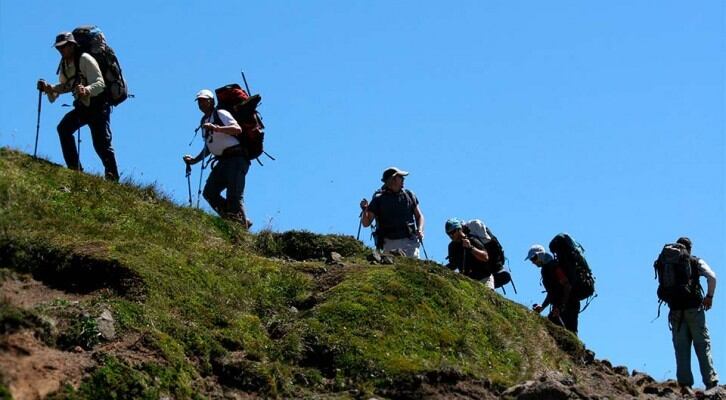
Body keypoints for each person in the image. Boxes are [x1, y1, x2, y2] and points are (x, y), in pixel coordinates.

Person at [36, 32, 120, 181]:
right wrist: (49, 88)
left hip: (99, 107)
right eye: (58, 48)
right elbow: (66, 86)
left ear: (72, 46)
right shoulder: (65, 64)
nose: (60, 50)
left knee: (101, 145)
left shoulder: (85, 59)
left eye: (63, 47)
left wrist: (86, 90)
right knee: (64, 129)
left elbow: (100, 84)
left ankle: (112, 178)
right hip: (84, 107)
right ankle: (75, 170)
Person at [183, 89, 251, 228]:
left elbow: (237, 129)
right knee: (210, 192)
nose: (201, 104)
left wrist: (216, 127)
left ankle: (241, 230)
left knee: (234, 197)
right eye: (199, 101)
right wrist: (194, 161)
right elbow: (210, 145)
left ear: (211, 101)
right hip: (223, 161)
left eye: (204, 100)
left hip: (236, 158)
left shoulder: (220, 113)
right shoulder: (204, 121)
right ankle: (235, 222)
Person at [668, 237, 718, 391]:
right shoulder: (695, 261)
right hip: (694, 310)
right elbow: (712, 277)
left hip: (676, 310)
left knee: (681, 348)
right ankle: (711, 383)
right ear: (689, 249)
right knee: (702, 345)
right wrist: (709, 297)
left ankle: (685, 385)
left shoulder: (669, 262)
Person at [359, 167, 425, 258]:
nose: (403, 179)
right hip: (389, 242)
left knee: (409, 268)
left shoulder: (409, 195)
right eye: (400, 177)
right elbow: (366, 223)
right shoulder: (379, 199)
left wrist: (420, 229)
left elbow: (419, 216)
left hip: (409, 241)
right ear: (392, 180)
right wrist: (365, 210)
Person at [526, 244, 580, 335]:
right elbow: (551, 293)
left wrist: (561, 306)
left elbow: (567, 286)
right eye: (531, 259)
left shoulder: (555, 267)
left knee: (569, 332)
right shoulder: (547, 269)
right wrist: (542, 307)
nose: (533, 262)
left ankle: (577, 349)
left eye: (534, 258)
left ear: (540, 255)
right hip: (563, 306)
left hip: (569, 304)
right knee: (559, 330)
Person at [444, 218, 495, 289]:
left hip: (484, 278)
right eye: (448, 233)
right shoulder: (452, 246)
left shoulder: (472, 239)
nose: (451, 236)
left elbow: (485, 257)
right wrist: (440, 268)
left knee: (486, 299)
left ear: (459, 229)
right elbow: (453, 264)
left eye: (452, 232)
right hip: (468, 281)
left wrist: (470, 248)